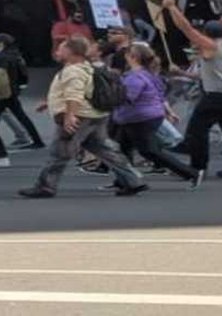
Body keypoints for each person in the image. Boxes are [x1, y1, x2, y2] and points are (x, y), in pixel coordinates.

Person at [18, 37, 149, 199]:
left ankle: (45, 186)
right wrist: (49, 102)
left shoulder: (73, 71)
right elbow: (80, 90)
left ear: (71, 51)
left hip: (80, 116)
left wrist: (70, 115)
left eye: (61, 48)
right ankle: (133, 180)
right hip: (95, 115)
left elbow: (74, 94)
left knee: (60, 152)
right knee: (105, 150)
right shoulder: (87, 67)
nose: (57, 51)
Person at [161, 0, 222, 179]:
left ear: (206, 34)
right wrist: (182, 73)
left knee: (197, 130)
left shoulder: (211, 45)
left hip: (217, 96)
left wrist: (172, 8)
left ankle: (197, 167)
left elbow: (186, 28)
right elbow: (206, 75)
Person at [111, 43, 202, 188]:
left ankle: (191, 173)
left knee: (148, 151)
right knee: (123, 148)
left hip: (139, 117)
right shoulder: (148, 74)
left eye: (127, 54)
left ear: (133, 57)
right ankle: (124, 180)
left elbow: (128, 97)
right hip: (144, 116)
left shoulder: (135, 77)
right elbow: (160, 94)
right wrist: (168, 111)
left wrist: (109, 95)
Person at [0, 34, 44, 150]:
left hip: (3, 91)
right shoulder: (16, 56)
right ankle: (37, 140)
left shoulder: (1, 58)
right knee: (20, 116)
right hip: (13, 90)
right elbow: (23, 75)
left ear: (1, 43)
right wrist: (19, 87)